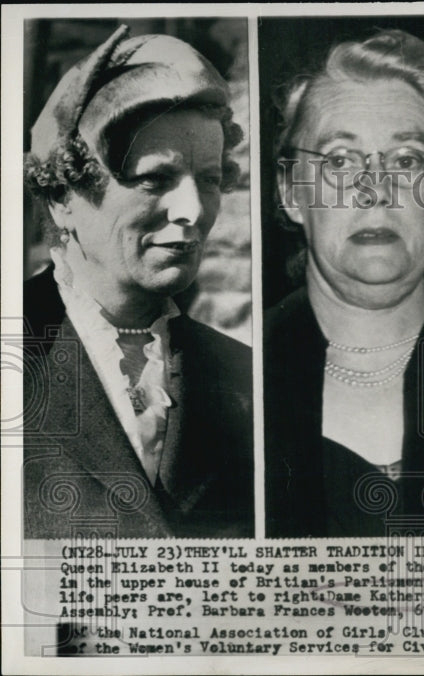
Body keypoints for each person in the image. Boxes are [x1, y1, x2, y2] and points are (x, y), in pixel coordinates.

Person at [21, 25, 253, 538]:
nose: (192, 211)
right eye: (154, 179)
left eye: (210, 180)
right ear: (63, 195)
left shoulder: (245, 382)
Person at [265, 29, 424, 537]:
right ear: (290, 192)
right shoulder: (234, 377)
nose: (376, 190)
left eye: (407, 160)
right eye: (340, 161)